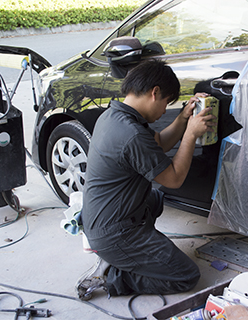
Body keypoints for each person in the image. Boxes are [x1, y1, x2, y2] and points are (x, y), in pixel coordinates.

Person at [76, 59, 216, 300]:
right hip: (113, 231)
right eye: (166, 104)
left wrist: (183, 119)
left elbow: (158, 145)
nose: (164, 111)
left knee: (155, 199)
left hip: (102, 220)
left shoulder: (114, 117)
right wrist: (191, 135)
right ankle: (114, 276)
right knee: (186, 275)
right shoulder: (131, 134)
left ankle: (126, 254)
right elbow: (173, 179)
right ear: (155, 92)